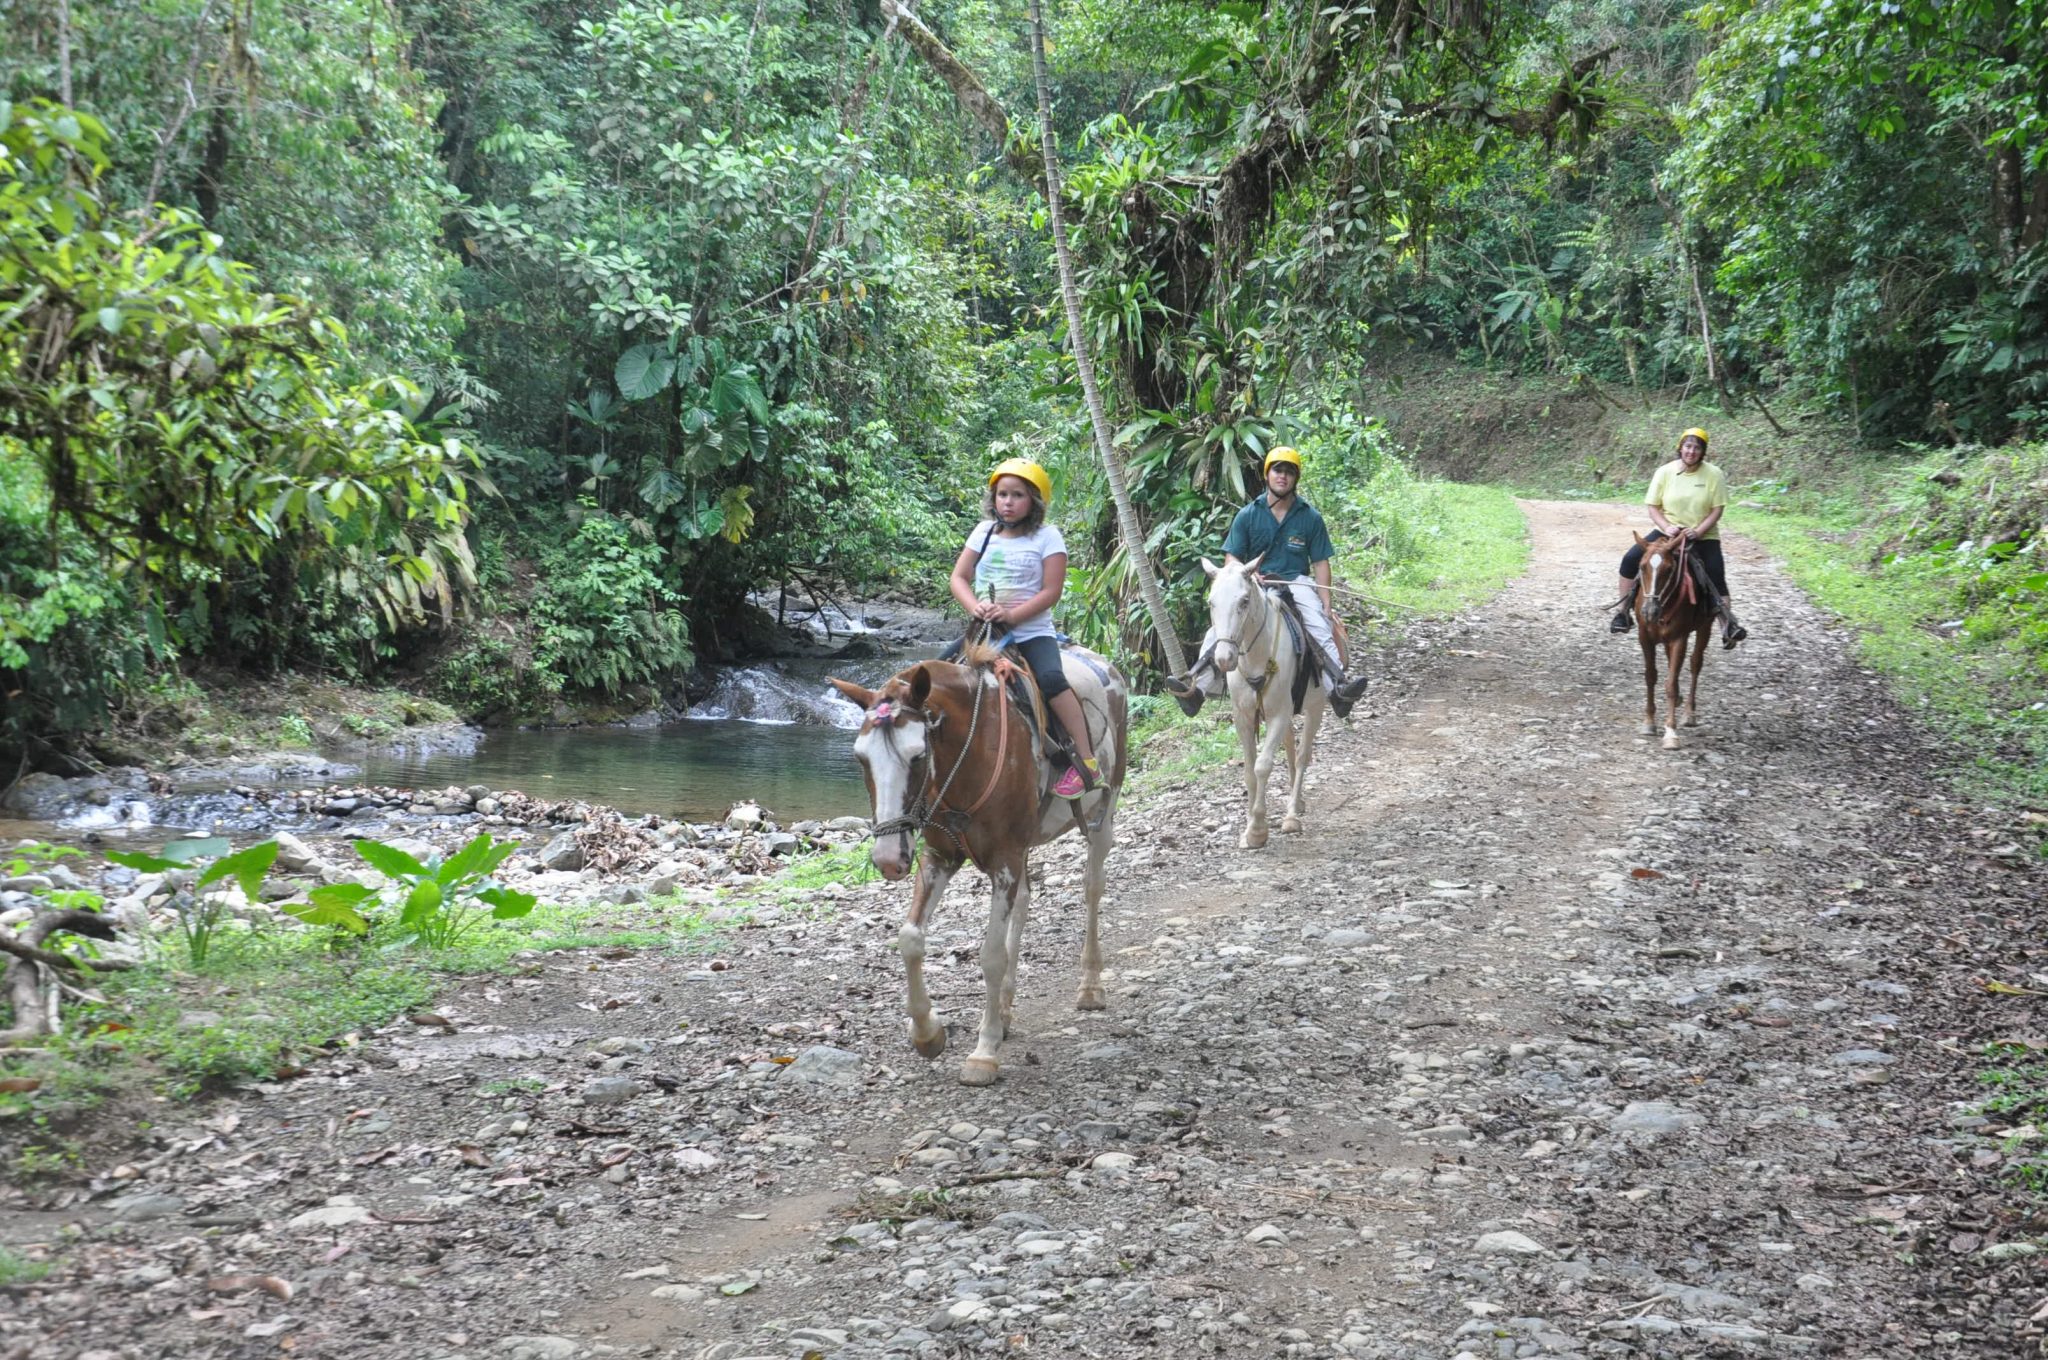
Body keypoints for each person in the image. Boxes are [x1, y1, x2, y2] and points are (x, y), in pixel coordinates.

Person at [1165, 445, 1371, 719]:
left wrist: (1325, 602)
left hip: (1297, 582)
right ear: (1267, 474)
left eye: (1289, 472)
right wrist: (1243, 576)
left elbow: (1321, 562)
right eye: (1277, 470)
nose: (1282, 476)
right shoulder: (1248, 515)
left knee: (1319, 626)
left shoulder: (1310, 517)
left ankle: (1338, 688)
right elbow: (1232, 558)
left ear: (1296, 478)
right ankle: (1197, 687)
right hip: (1255, 583)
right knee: (1221, 628)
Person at [950, 457, 1100, 799]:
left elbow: (1051, 591)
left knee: (1050, 680)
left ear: (1034, 501)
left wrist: (1012, 615)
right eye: (1002, 494)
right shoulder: (982, 532)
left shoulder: (1048, 537)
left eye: (1017, 495)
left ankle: (1087, 762)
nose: (1008, 501)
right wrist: (977, 607)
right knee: (937, 678)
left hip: (1031, 633)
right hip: (984, 631)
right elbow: (959, 577)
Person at [1611, 427, 1748, 648]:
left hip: (1703, 535)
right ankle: (1623, 612)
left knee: (1715, 573)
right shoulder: (1664, 472)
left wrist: (1699, 531)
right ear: (1680, 448)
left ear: (1703, 452)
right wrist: (1667, 526)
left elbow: (1717, 510)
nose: (1691, 451)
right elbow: (1653, 507)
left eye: (1696, 447)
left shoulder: (1714, 474)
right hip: (1668, 532)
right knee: (1630, 559)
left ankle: (1727, 625)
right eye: (1688, 446)